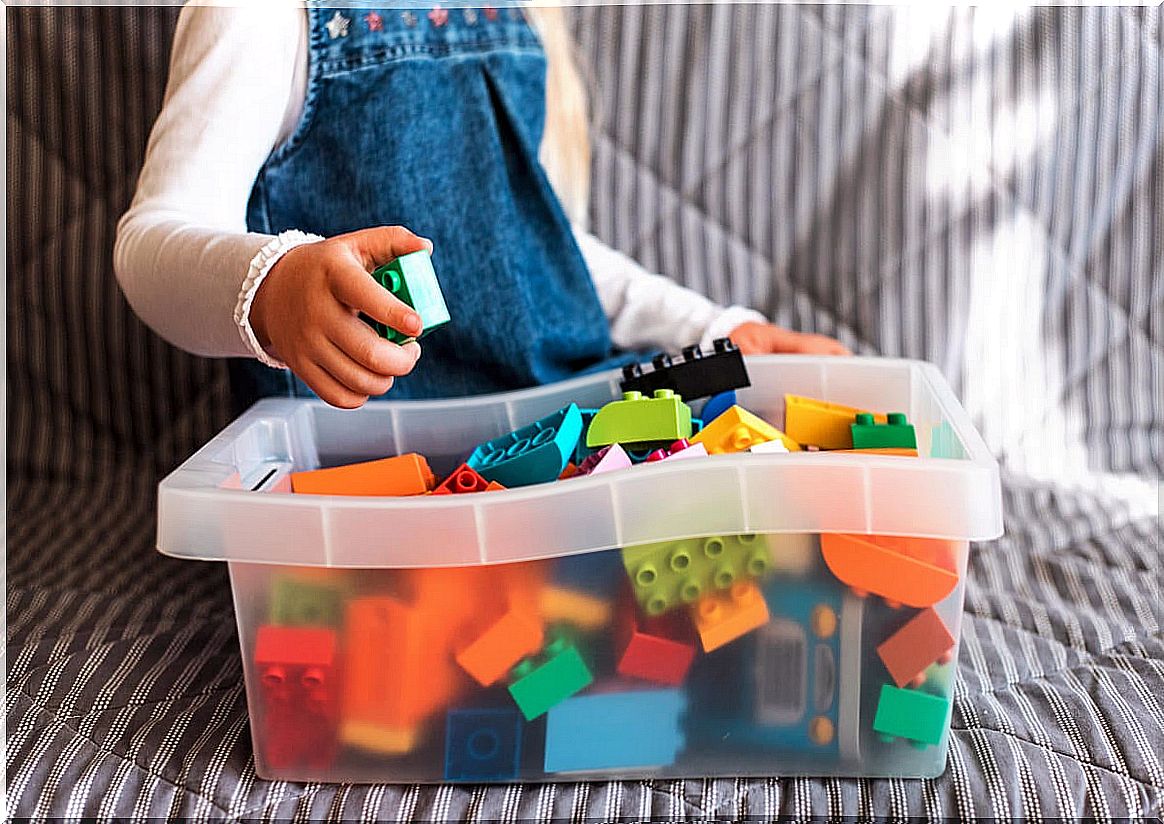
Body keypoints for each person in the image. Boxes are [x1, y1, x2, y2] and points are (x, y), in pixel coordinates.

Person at [116, 4, 848, 410]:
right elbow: (152, 240)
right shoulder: (264, 15)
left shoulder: (520, 16)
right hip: (388, 449)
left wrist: (718, 330)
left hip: (568, 412)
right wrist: (274, 287)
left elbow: (539, 249)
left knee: (745, 405)